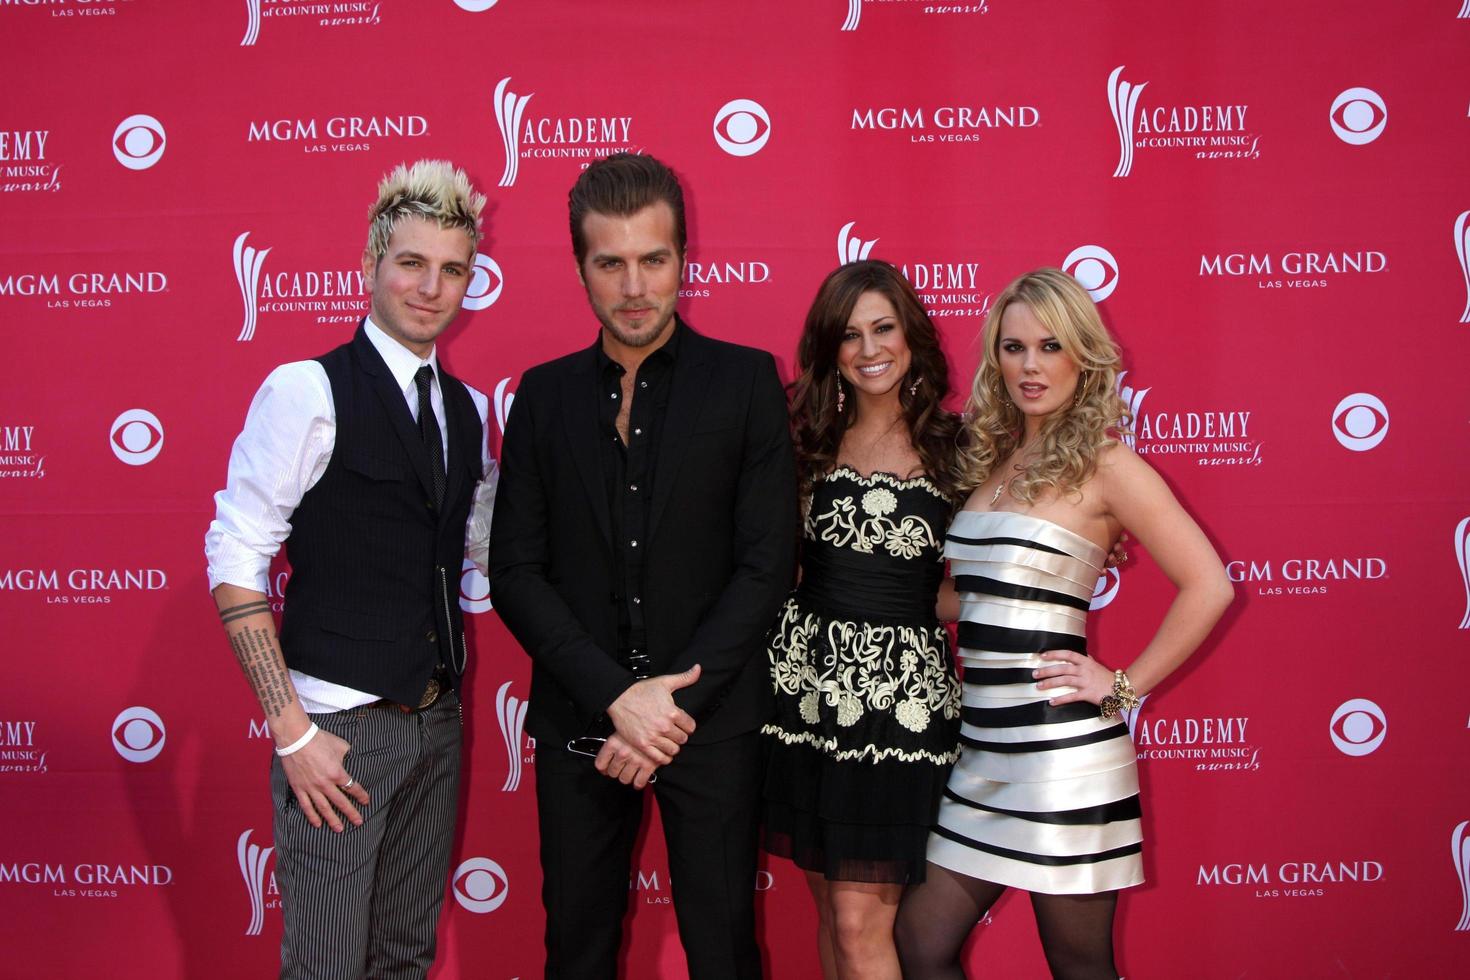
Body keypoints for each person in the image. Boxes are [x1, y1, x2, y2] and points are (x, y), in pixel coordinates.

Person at [487, 152, 797, 980]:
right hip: (581, 722)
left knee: (724, 952)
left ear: (683, 259)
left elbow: (767, 568)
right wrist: (616, 697)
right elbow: (514, 570)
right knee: (576, 953)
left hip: (709, 720)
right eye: (610, 262)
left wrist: (665, 705)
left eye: (653, 260)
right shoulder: (543, 397)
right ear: (580, 266)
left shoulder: (746, 382)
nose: (633, 286)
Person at [893, 268, 1233, 979]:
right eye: (1013, 348)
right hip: (980, 749)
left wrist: (1122, 688)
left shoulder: (1109, 466)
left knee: (1079, 965)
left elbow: (1209, 586)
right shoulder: (991, 465)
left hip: (1063, 757)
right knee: (922, 944)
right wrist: (856, 590)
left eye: (1050, 346)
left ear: (1083, 354)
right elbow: (970, 599)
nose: (1030, 366)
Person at [205, 160, 498, 979]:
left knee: (403, 958)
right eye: (411, 263)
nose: (431, 287)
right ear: (369, 265)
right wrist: (293, 732)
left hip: (438, 723)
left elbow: (486, 549)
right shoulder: (307, 390)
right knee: (328, 966)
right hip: (336, 732)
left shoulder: (467, 409)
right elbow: (236, 555)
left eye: (452, 270)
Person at [761, 260, 966, 980]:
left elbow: (965, 591)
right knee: (832, 916)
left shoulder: (959, 450)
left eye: (884, 328)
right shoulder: (801, 439)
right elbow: (769, 566)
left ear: (911, 335)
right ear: (829, 347)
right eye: (850, 334)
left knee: (859, 922)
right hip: (803, 696)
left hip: (901, 708)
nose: (870, 348)